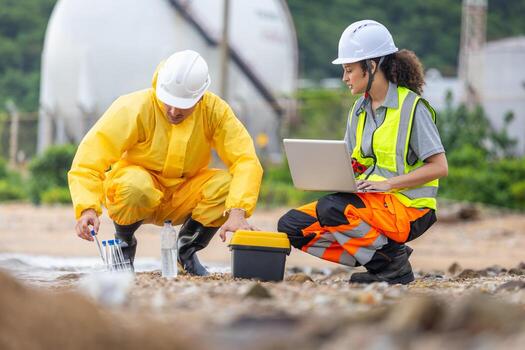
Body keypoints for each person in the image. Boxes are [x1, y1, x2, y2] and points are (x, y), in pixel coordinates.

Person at [278, 20, 448, 284]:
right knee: (291, 226)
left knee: (332, 209)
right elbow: (352, 160)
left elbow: (439, 167)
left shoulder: (412, 107)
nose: (345, 78)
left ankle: (391, 267)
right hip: (372, 202)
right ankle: (383, 255)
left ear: (371, 66)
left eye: (348, 70)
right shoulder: (358, 110)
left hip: (410, 207)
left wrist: (387, 184)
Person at [68, 50, 263, 276]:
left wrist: (238, 212)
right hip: (136, 193)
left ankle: (187, 250)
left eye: (182, 105)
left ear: (200, 97)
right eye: (168, 102)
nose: (173, 111)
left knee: (227, 185)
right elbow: (90, 156)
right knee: (135, 185)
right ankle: (124, 245)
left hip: (184, 193)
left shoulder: (215, 112)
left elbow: (245, 160)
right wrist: (87, 208)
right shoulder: (135, 107)